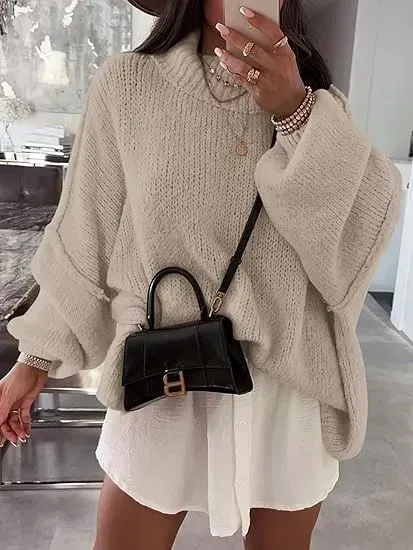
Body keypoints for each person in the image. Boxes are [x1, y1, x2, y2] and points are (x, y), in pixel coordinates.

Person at [0, 0, 402, 549]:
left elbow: (361, 235)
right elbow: (82, 234)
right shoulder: (129, 86)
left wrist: (295, 112)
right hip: (161, 380)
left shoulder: (316, 104)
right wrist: (35, 358)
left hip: (286, 392)